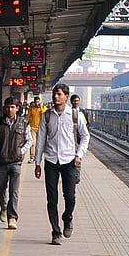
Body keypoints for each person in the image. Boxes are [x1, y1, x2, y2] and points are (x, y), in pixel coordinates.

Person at [34, 83, 90, 245]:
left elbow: (85, 136)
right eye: (54, 94)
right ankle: (56, 231)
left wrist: (79, 154)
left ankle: (68, 217)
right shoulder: (47, 116)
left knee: (70, 197)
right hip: (51, 161)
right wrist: (37, 163)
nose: (56, 97)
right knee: (52, 198)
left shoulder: (75, 115)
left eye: (59, 94)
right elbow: (41, 141)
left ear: (66, 96)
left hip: (69, 161)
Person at [0, 97, 31, 230]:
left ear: (17, 108)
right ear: (4, 108)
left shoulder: (24, 123)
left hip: (16, 162)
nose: (10, 109)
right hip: (1, 162)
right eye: (8, 107)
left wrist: (21, 152)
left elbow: (29, 141)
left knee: (14, 191)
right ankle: (3, 206)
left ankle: (12, 218)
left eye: (13, 107)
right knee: (0, 189)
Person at [25, 97, 45, 163]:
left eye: (38, 102)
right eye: (35, 102)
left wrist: (41, 107)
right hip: (32, 128)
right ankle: (32, 157)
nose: (37, 103)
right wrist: (26, 124)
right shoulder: (31, 108)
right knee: (33, 143)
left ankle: (38, 157)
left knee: (39, 143)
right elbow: (28, 116)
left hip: (40, 128)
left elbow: (44, 115)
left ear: (40, 102)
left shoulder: (43, 108)